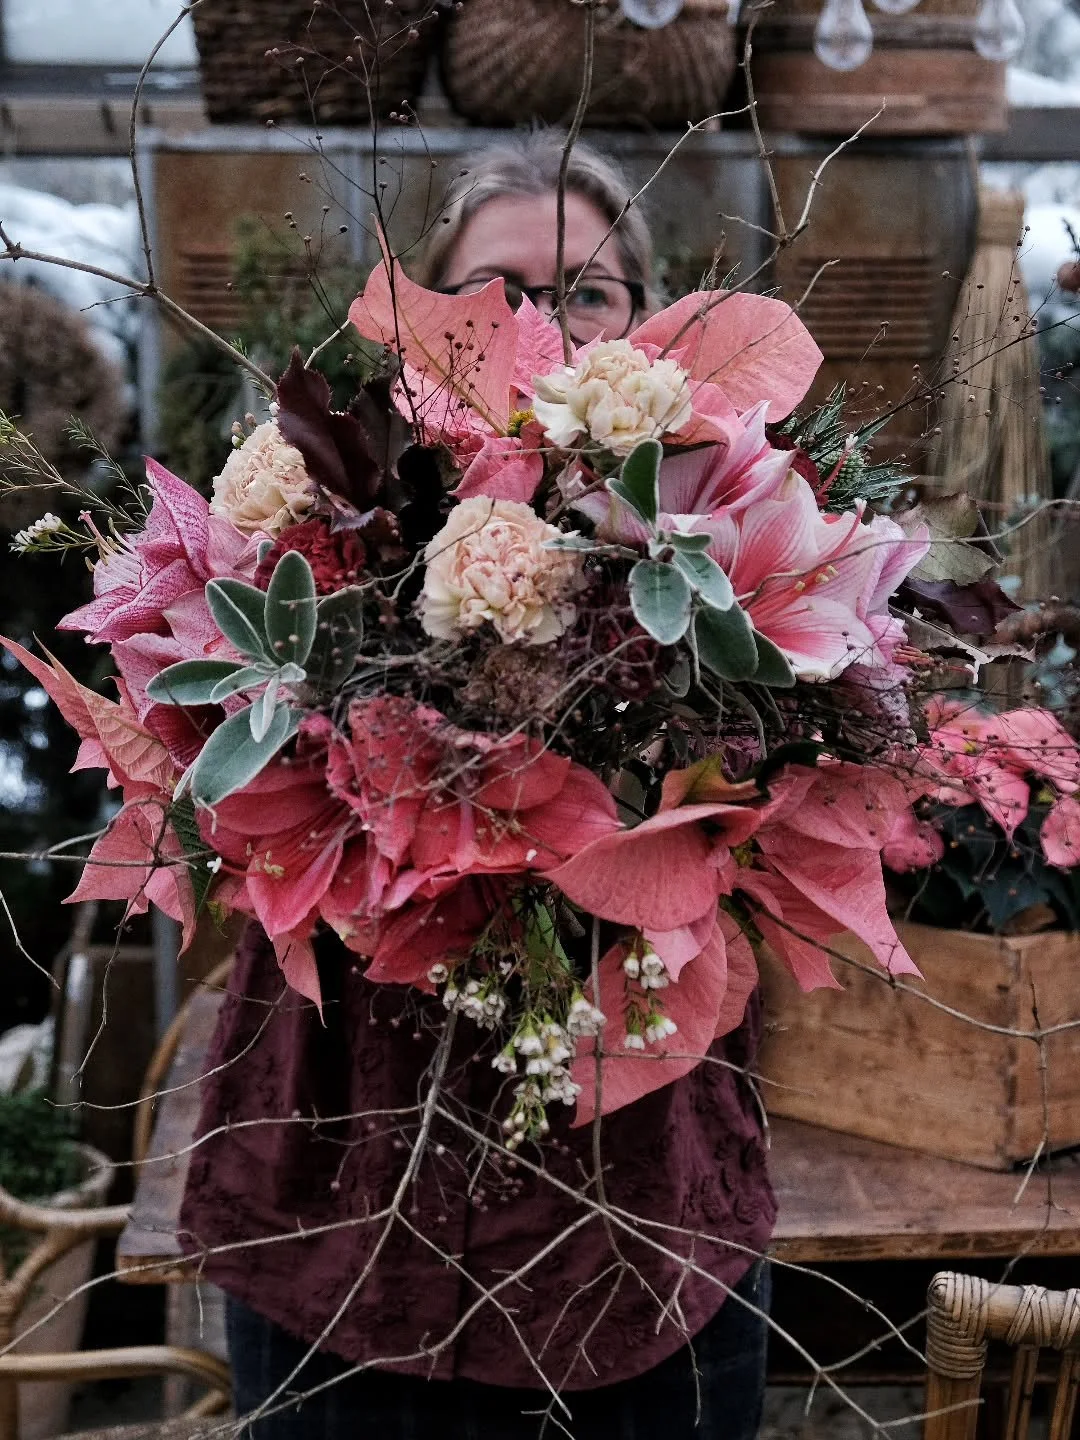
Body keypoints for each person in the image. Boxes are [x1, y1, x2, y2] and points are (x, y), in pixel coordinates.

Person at [179, 131, 775, 1440]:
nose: (540, 326)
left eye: (587, 292)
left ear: (647, 327)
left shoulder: (715, 528)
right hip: (345, 1206)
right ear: (421, 339)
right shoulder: (330, 526)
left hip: (637, 1225)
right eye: (495, 295)